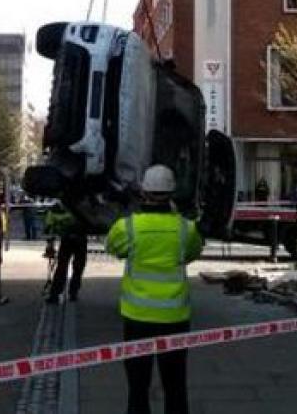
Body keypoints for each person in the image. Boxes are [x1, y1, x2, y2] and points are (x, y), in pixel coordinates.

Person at [106, 165, 204, 414]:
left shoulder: (128, 227)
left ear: (143, 192)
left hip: (137, 318)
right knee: (175, 386)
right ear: (171, 193)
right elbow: (192, 253)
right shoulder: (187, 228)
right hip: (175, 317)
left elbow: (113, 248)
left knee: (138, 387)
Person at [45, 204, 87, 303]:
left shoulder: (58, 208)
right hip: (78, 238)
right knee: (76, 266)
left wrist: (50, 243)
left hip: (69, 238)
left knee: (63, 266)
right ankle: (72, 292)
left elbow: (50, 226)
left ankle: (56, 294)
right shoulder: (83, 207)